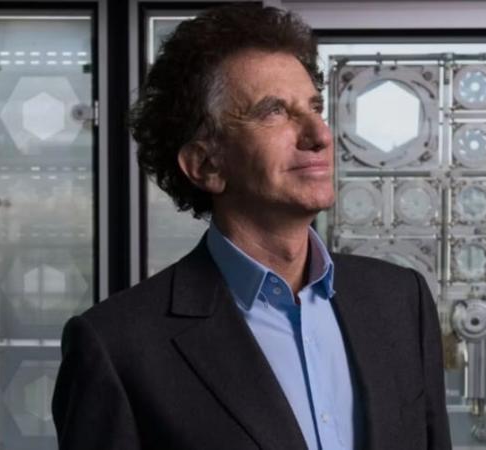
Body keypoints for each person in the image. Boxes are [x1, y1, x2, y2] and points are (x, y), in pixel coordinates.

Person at [51, 4, 451, 450]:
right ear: (206, 164)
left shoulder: (401, 301)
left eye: (315, 107)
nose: (319, 135)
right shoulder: (117, 347)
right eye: (274, 112)